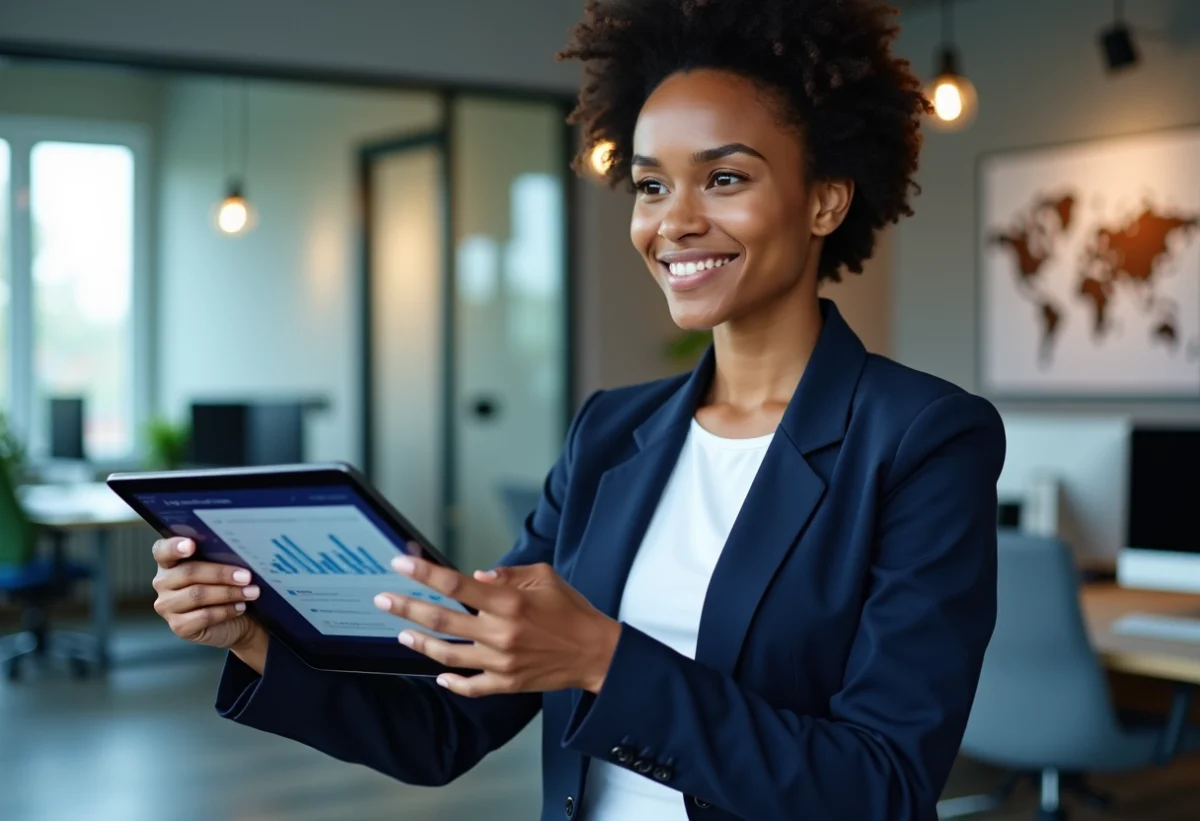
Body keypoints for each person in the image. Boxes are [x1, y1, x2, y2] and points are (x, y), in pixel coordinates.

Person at [149, 1, 1005, 818]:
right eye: (651, 186)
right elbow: (448, 726)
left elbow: (883, 788)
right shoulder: (609, 434)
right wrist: (255, 636)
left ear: (826, 199)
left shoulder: (922, 440)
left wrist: (603, 657)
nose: (675, 222)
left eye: (726, 177)